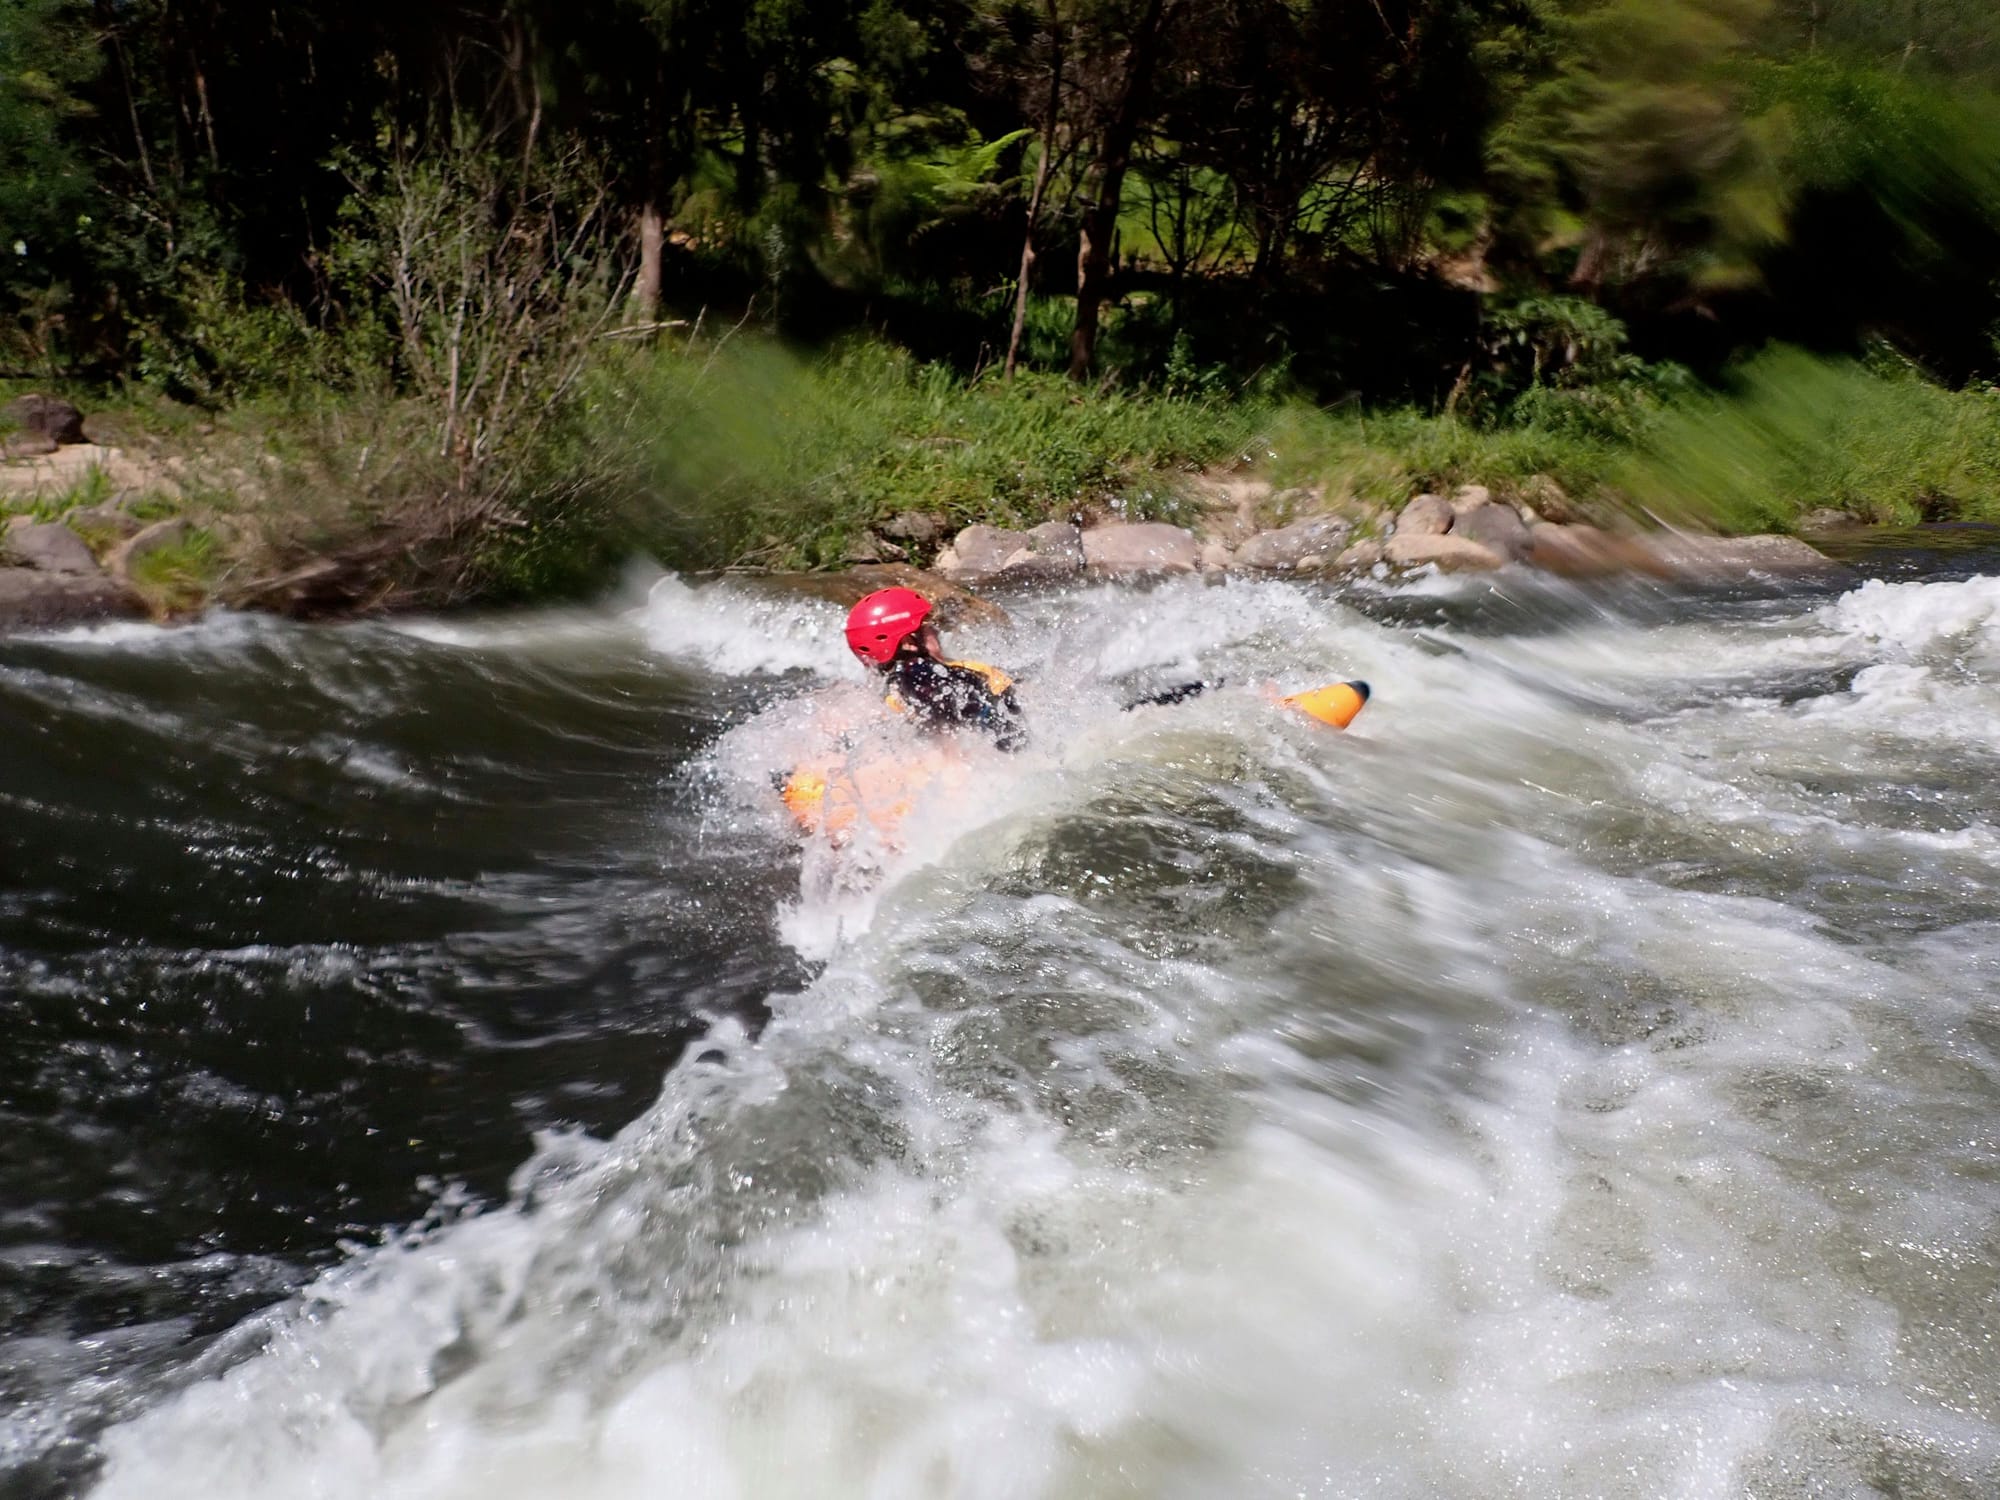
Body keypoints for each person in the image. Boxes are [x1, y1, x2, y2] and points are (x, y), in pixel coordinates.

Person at [843, 587, 1027, 751]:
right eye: (930, 627)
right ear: (908, 641)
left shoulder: (878, 701)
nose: (938, 632)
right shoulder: (964, 674)